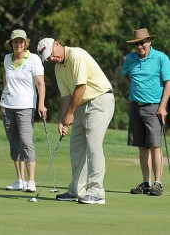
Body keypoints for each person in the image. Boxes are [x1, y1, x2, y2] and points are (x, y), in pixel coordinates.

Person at [37, 38, 115, 204]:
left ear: (57, 44)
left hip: (100, 100)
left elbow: (81, 87)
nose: (51, 59)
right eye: (48, 58)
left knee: (93, 145)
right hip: (80, 104)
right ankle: (76, 191)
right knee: (76, 146)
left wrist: (70, 113)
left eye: (51, 54)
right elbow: (66, 96)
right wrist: (62, 120)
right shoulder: (58, 68)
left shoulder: (76, 55)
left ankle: (97, 192)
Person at [122, 28, 170, 196]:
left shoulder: (161, 58)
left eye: (142, 42)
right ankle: (146, 183)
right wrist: (133, 91)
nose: (140, 46)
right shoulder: (130, 59)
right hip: (136, 106)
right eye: (137, 43)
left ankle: (158, 184)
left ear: (150, 41)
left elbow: (168, 83)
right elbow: (126, 75)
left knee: (155, 146)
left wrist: (163, 106)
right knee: (142, 146)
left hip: (154, 107)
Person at [0, 29, 47, 192]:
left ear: (26, 42)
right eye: (15, 41)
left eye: (21, 41)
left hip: (26, 106)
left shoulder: (33, 59)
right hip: (7, 106)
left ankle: (31, 181)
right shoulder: (7, 58)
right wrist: (6, 91)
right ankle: (19, 180)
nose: (18, 44)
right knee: (14, 143)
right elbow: (5, 77)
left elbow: (40, 83)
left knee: (26, 142)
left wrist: (41, 104)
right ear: (11, 43)